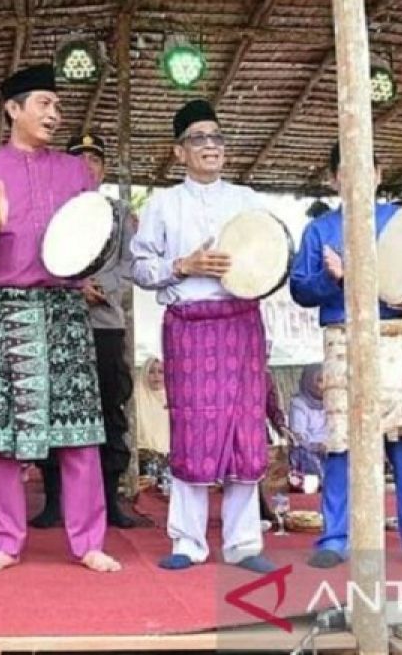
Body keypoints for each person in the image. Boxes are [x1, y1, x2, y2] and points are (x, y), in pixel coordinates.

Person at [0, 64, 120, 574]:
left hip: (64, 308)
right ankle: (3, 540)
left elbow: (93, 232)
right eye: (43, 103)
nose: (53, 114)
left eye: (57, 106)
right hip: (1, 310)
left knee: (80, 429)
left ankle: (88, 540)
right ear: (13, 109)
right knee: (1, 434)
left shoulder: (75, 171)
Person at [290, 143, 402, 571]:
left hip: (398, 337)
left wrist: (373, 285)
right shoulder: (320, 230)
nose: (358, 177)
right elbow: (301, 290)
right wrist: (332, 281)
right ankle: (336, 536)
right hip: (344, 337)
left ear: (379, 174)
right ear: (333, 180)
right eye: (347, 170)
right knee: (342, 442)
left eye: (367, 168)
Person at [129, 98, 276, 573]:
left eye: (217, 138)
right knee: (193, 427)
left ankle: (243, 544)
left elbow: (272, 258)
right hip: (189, 326)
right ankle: (188, 542)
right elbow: (140, 266)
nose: (210, 146)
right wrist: (183, 265)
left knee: (244, 426)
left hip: (241, 325)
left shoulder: (247, 200)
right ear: (179, 152)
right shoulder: (163, 204)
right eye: (198, 139)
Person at [31, 133, 138, 530]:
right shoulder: (51, 211)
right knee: (55, 407)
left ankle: (110, 500)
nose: (88, 166)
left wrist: (103, 289)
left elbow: (133, 265)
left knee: (111, 406)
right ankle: (54, 499)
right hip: (59, 321)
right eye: (80, 160)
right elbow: (36, 260)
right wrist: (75, 288)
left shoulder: (120, 212)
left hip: (106, 324)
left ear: (104, 168)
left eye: (95, 160)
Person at [287, 364, 327, 483]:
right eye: (319, 380)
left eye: (326, 380)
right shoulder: (299, 404)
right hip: (309, 453)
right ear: (308, 381)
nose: (323, 386)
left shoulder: (333, 401)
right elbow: (298, 436)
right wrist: (318, 446)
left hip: (330, 452)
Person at [133, 357, 170, 484]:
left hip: (169, 458)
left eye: (161, 372)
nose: (156, 376)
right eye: (151, 371)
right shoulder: (136, 398)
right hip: (143, 455)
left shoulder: (171, 399)